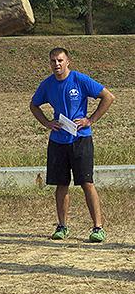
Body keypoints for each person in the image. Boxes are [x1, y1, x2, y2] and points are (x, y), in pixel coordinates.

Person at [30, 47, 115, 242]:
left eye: (60, 60)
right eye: (53, 61)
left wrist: (90, 120)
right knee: (61, 184)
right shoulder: (47, 85)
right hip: (58, 141)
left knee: (87, 182)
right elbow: (33, 105)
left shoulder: (81, 80)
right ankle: (62, 227)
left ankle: (97, 228)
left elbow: (108, 97)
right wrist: (46, 123)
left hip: (81, 139)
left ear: (68, 62)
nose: (56, 64)